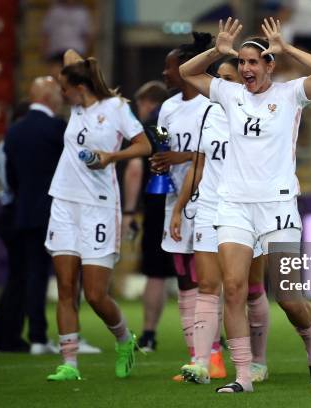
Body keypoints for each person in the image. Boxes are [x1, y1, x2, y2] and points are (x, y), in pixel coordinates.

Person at [180, 17, 311, 392]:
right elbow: (188, 72)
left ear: (269, 65)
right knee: (233, 289)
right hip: (234, 204)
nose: (246, 69)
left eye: (254, 62)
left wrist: (287, 49)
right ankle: (242, 376)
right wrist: (217, 51)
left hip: (278, 206)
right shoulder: (229, 93)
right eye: (242, 63)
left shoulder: (290, 93)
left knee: (287, 296)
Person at [45, 49, 151, 381]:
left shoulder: (116, 108)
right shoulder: (76, 104)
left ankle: (124, 340)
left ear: (79, 88)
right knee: (65, 286)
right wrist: (82, 68)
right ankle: (69, 364)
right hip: (64, 201)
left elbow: (144, 145)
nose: (61, 94)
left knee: (94, 294)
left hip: (100, 206)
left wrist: (110, 157)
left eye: (65, 87)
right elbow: (69, 54)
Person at [170, 57, 270, 384]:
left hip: (246, 207)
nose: (225, 85)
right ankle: (200, 363)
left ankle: (257, 361)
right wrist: (178, 208)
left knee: (249, 289)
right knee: (208, 286)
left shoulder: (260, 112)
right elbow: (199, 164)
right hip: (211, 207)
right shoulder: (209, 114)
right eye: (220, 79)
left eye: (231, 78)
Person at [150, 33, 227, 381]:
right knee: (184, 280)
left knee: (207, 281)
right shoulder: (167, 108)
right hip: (174, 199)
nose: (165, 73)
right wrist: (161, 162)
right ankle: (195, 357)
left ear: (184, 68)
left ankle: (214, 356)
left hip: (206, 200)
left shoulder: (211, 105)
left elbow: (203, 156)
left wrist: (179, 156)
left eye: (169, 67)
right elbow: (169, 147)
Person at [3, 77, 66, 354]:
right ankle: (71, 337)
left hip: (26, 211)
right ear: (52, 98)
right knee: (69, 276)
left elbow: (10, 177)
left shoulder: (14, 131)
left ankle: (37, 337)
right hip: (59, 212)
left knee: (34, 275)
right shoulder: (57, 129)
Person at [0, 101, 32, 354]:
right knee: (20, 278)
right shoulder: (14, 144)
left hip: (9, 211)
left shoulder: (6, 143)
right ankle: (7, 336)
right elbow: (15, 182)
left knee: (17, 277)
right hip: (15, 212)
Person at [129, 81, 175, 352]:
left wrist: (129, 211)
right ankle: (210, 336)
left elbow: (135, 168)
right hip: (189, 201)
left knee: (155, 274)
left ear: (148, 103)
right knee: (198, 274)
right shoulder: (183, 117)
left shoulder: (148, 127)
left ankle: (148, 334)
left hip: (158, 205)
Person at [42, 0, 94, 78]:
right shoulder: (54, 11)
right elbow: (46, 33)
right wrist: (44, 51)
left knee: (73, 79)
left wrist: (86, 54)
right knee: (56, 77)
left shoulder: (82, 13)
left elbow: (88, 35)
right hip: (57, 52)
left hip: (76, 52)